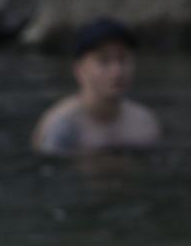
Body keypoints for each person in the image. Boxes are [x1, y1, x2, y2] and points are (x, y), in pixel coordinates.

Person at [31, 17, 161, 155]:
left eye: (123, 59)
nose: (117, 71)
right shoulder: (61, 125)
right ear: (80, 70)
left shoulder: (144, 124)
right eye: (104, 61)